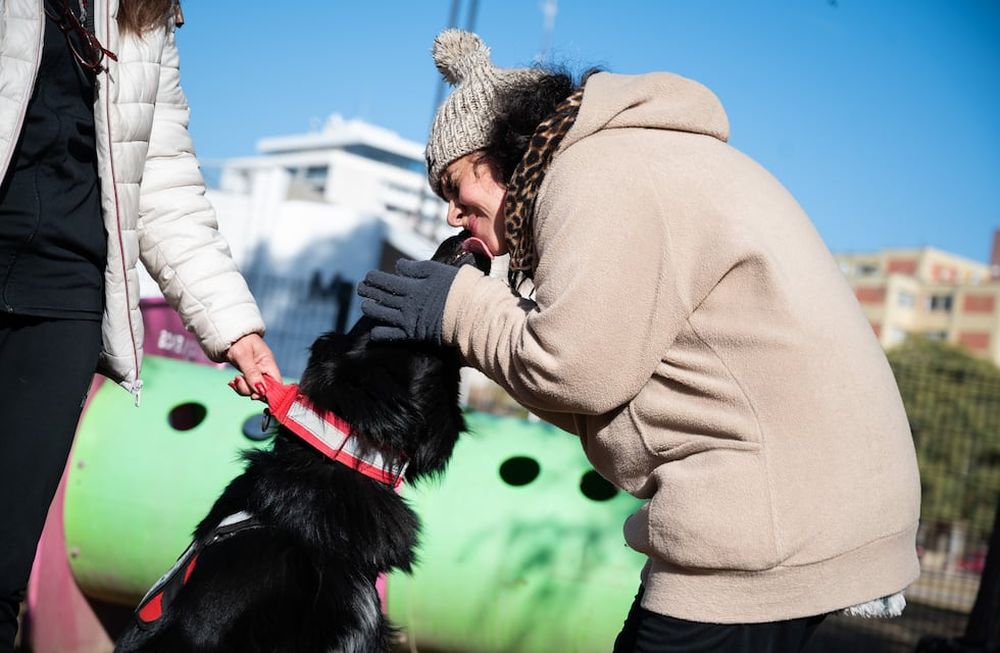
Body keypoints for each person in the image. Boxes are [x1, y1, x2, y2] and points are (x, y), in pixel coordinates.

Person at [358, 28, 922, 653]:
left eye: (454, 186)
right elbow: (601, 388)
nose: (452, 214)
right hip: (799, 502)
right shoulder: (631, 162)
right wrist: (476, 326)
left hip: (764, 521)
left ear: (500, 154)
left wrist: (457, 310)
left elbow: (574, 370)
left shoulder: (594, 174)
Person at [0, 1, 280, 649]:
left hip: (66, 294)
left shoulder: (141, 10)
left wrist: (237, 330)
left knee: (4, 565)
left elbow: (162, 176)